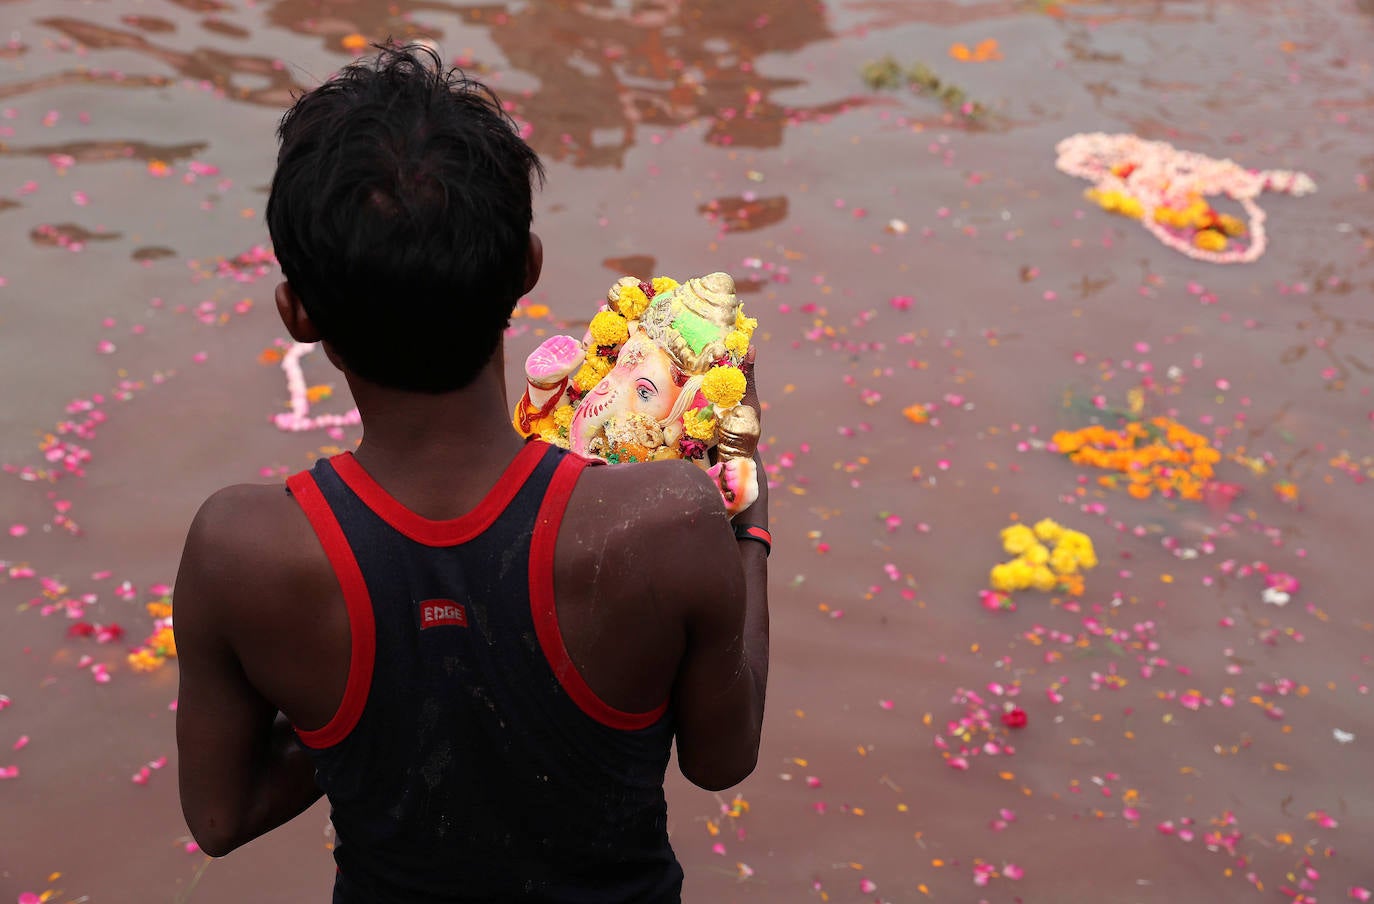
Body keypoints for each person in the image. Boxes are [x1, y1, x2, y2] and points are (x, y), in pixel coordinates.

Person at [173, 44, 770, 902]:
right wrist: (743, 502)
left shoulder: (243, 552)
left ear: (298, 313)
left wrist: (373, 710)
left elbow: (220, 818)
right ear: (525, 266)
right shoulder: (667, 522)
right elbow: (724, 758)